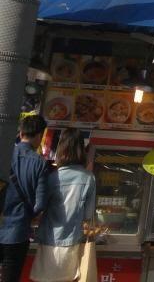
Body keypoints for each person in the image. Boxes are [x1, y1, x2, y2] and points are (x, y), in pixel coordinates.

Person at [31, 132, 96, 282]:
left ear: (61, 149)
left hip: (49, 239)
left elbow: (39, 206)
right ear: (82, 149)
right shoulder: (89, 178)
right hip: (72, 242)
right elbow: (88, 214)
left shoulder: (52, 177)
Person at [0, 115, 50, 282]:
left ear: (21, 133)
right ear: (39, 136)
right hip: (17, 233)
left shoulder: (4, 156)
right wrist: (28, 215)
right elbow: (40, 203)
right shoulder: (40, 163)